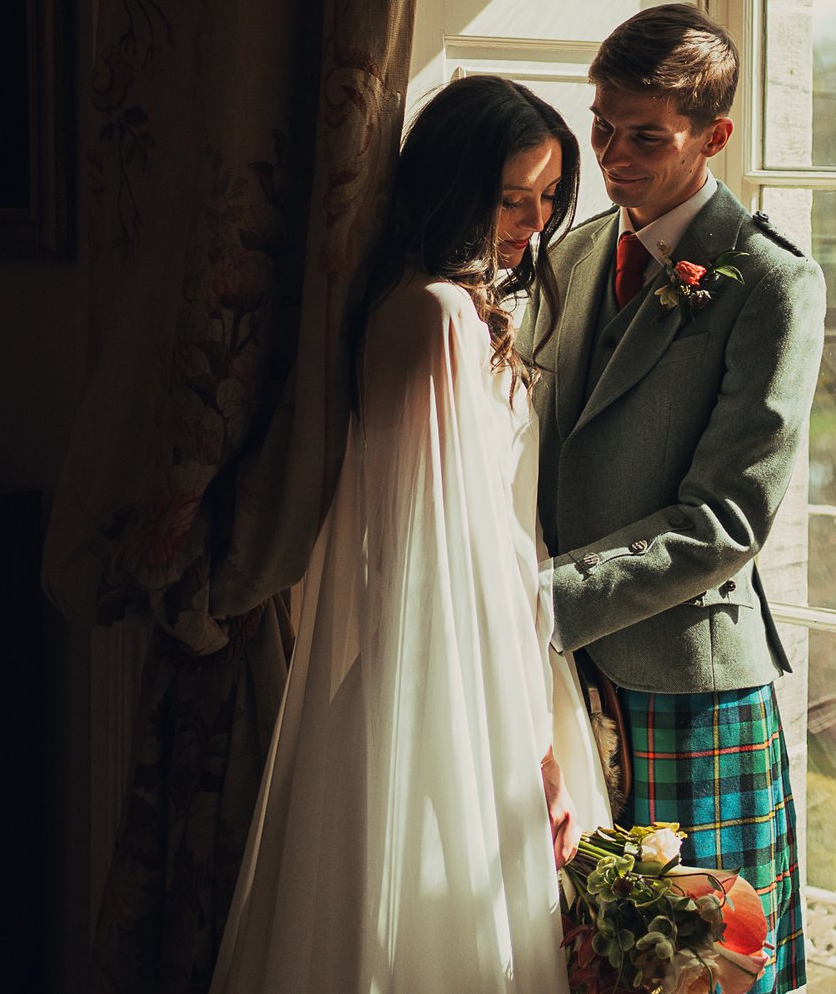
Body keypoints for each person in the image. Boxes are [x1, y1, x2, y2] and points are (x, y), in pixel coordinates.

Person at [211, 74, 606, 993]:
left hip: (405, 669)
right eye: (514, 199)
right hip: (461, 677)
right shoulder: (440, 319)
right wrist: (536, 744)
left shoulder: (397, 299)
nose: (536, 224)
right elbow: (469, 553)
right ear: (453, 186)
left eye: (549, 198)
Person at [532, 4, 828, 994]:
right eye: (601, 126)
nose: (612, 155)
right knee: (582, 958)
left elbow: (726, 521)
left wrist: (542, 601)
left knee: (707, 975)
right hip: (557, 678)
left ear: (714, 134)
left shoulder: (769, 279)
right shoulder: (570, 256)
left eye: (645, 136)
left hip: (684, 680)